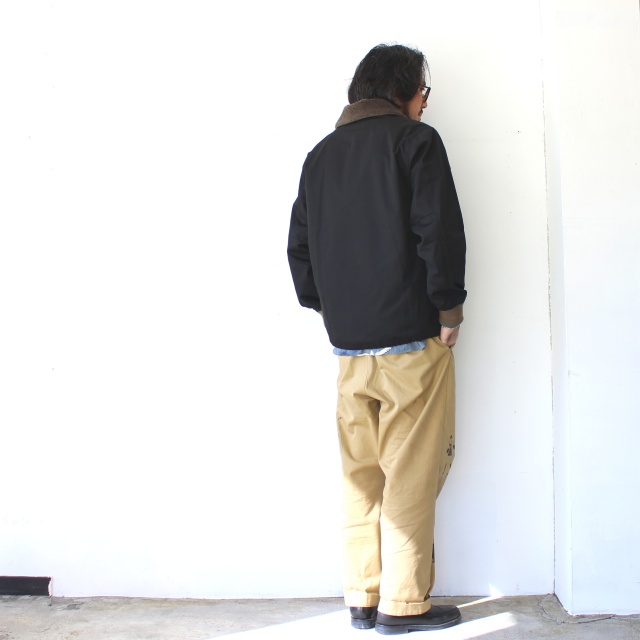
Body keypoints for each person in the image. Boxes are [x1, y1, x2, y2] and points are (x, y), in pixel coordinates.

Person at [287, 43, 467, 635]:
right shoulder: (417, 142)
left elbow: (300, 250)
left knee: (359, 475)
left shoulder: (320, 156)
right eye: (423, 92)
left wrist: (333, 309)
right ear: (403, 89)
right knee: (409, 475)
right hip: (412, 341)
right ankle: (402, 604)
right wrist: (449, 308)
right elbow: (437, 230)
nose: (424, 104)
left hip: (349, 348)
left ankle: (361, 596)